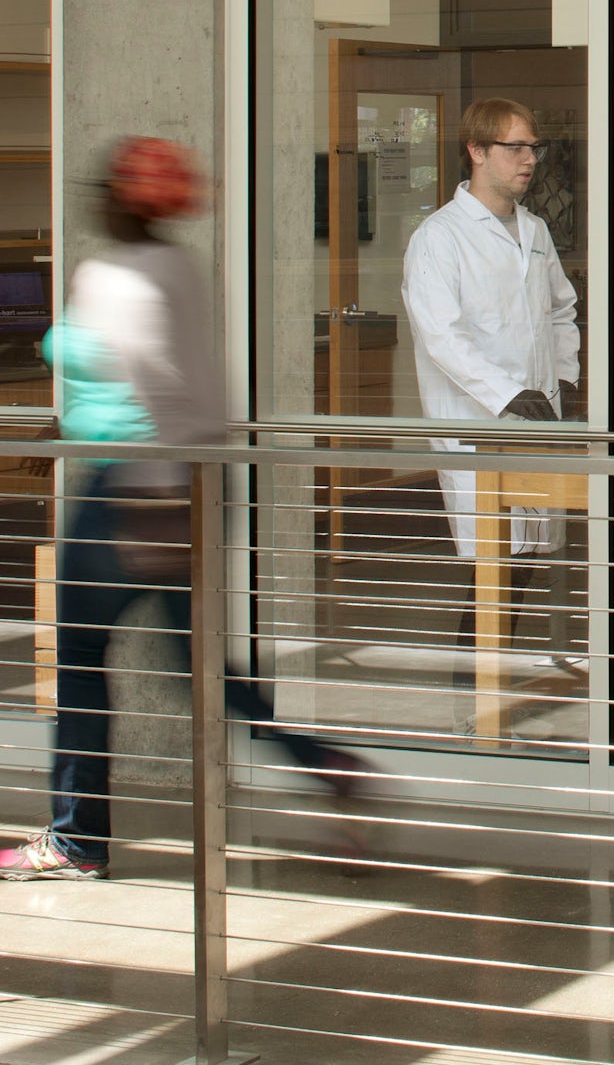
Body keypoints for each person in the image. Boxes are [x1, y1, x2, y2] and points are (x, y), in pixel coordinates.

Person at [1, 138, 372, 884]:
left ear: (118, 200)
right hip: (199, 484)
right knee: (200, 668)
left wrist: (106, 444)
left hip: (132, 491)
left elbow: (146, 383)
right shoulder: (178, 265)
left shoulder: (112, 275)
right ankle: (322, 762)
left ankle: (77, 839)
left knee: (76, 659)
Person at [402, 100, 580, 659]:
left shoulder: (534, 229)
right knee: (492, 566)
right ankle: (473, 690)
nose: (530, 160)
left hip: (537, 420)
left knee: (524, 562)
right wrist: (507, 394)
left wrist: (565, 378)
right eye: (516, 148)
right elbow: (443, 336)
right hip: (477, 422)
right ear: (477, 151)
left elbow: (560, 311)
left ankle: (488, 682)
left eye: (534, 148)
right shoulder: (439, 237)